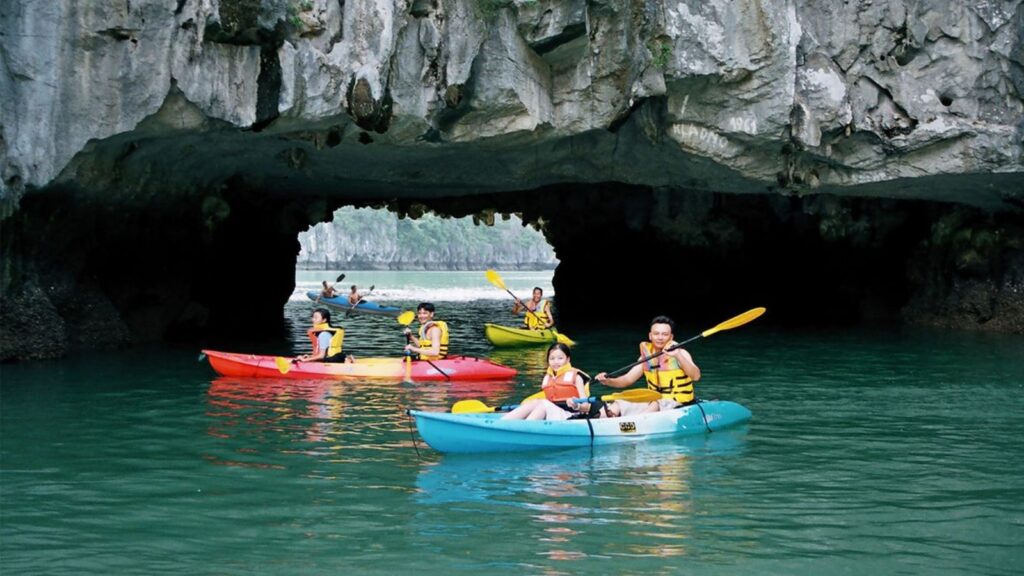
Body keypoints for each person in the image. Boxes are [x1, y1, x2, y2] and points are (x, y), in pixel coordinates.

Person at [591, 315, 700, 416]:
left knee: (656, 403)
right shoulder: (646, 358)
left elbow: (696, 376)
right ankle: (605, 417)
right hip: (653, 400)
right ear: (650, 336)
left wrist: (678, 355)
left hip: (678, 402)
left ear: (671, 337)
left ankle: (637, 422)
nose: (660, 337)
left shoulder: (681, 353)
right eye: (656, 334)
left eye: (665, 334)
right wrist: (608, 381)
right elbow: (627, 380)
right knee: (620, 402)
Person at [502, 343, 589, 420]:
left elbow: (587, 407)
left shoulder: (577, 377)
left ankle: (523, 428)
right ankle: (503, 422)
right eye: (552, 358)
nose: (556, 362)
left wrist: (576, 406)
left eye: (560, 358)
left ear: (568, 359)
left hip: (571, 416)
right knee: (537, 402)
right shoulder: (548, 377)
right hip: (554, 413)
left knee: (543, 404)